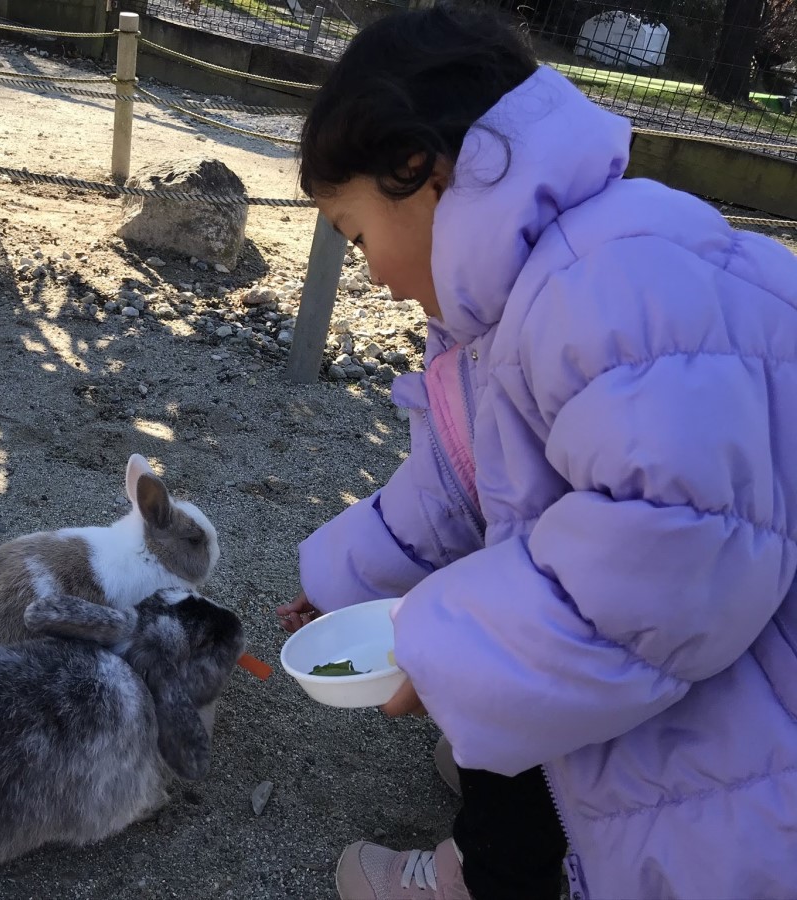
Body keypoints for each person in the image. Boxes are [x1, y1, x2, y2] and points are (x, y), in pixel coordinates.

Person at [278, 4, 797, 899]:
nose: (370, 274)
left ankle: (486, 874)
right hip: (676, 626)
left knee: (515, 679)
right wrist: (340, 584)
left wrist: (450, 657)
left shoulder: (607, 281)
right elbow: (458, 482)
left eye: (357, 235)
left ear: (420, 169)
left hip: (753, 679)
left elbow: (668, 560)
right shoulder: (507, 297)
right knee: (496, 653)